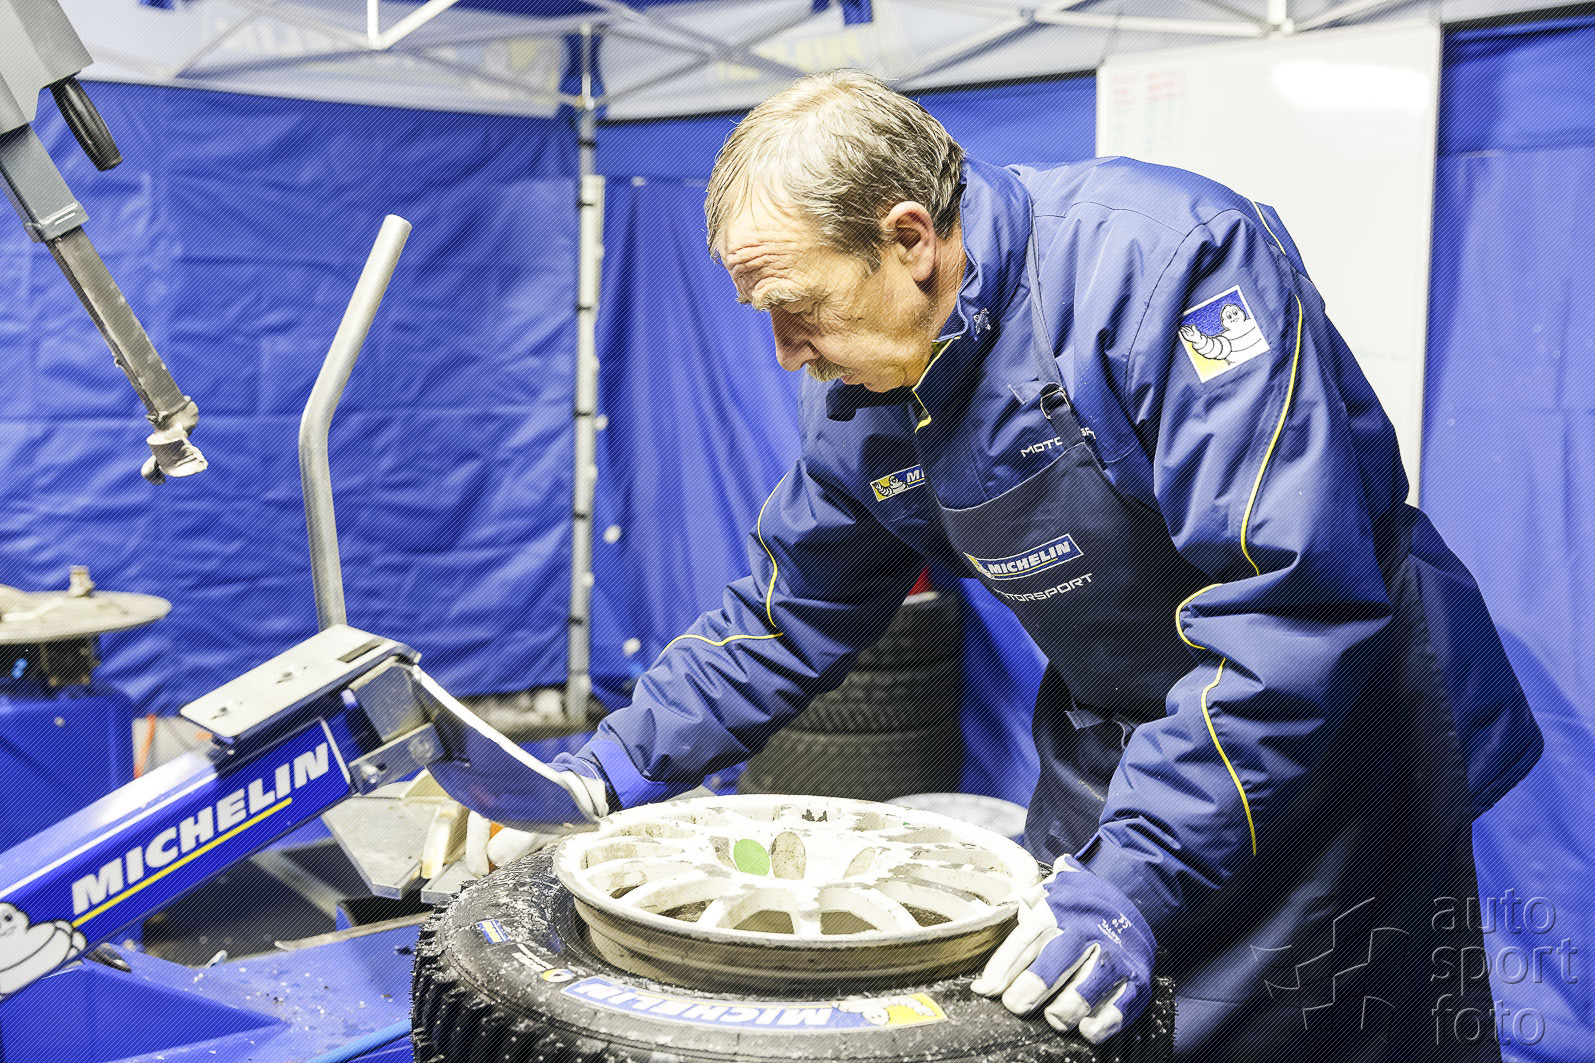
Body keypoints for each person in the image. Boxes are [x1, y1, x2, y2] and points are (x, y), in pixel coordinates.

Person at [538, 70, 1541, 1060]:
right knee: (1049, 1017)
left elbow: (1288, 607)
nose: (784, 351)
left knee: (1324, 1033)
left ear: (909, 239)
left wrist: (1134, 873)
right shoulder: (862, 380)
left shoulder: (1169, 266)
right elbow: (787, 607)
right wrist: (607, 768)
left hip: (1328, 740)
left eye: (796, 304)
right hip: (1111, 734)